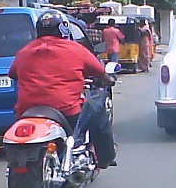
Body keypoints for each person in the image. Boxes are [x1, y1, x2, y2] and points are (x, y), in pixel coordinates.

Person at [9, 10, 117, 168]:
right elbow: (101, 74)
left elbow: (13, 74)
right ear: (63, 29)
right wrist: (109, 80)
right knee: (98, 104)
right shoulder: (76, 49)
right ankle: (105, 157)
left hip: (27, 110)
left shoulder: (24, 51)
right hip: (65, 111)